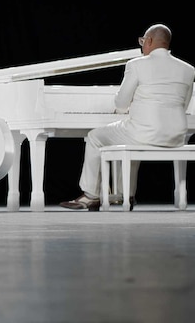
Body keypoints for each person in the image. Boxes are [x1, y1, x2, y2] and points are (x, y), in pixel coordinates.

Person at [60, 24, 195, 210]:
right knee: (129, 135)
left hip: (145, 132)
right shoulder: (188, 69)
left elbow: (121, 104)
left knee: (94, 137)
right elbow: (184, 105)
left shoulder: (136, 64)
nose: (142, 47)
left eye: (142, 42)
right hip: (177, 135)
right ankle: (126, 195)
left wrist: (128, 108)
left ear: (148, 41)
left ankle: (91, 195)